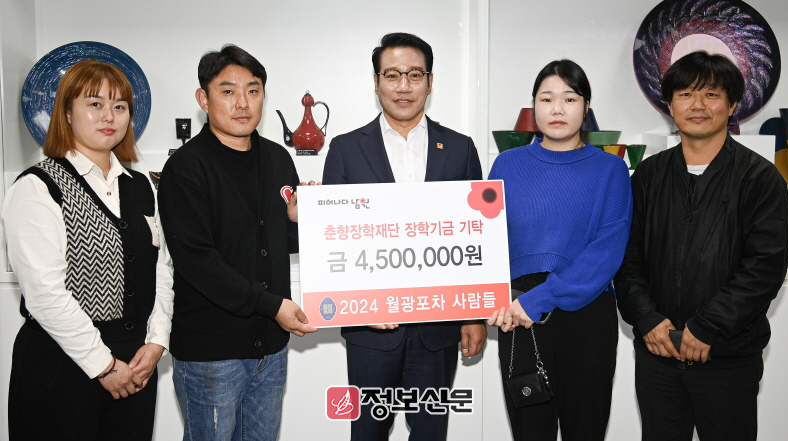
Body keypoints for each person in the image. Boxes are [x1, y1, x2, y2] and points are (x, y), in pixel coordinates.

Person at [614, 51, 788, 441]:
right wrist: (646, 318)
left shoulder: (760, 178)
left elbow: (763, 268)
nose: (697, 105)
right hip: (657, 355)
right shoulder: (648, 175)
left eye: (711, 94)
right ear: (670, 105)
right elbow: (626, 257)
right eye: (685, 94)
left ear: (732, 104)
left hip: (727, 358)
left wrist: (707, 327)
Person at [322, 32, 486, 441]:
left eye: (415, 74)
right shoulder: (345, 149)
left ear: (430, 82)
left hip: (438, 327)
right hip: (370, 328)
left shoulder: (460, 148)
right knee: (367, 431)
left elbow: (476, 238)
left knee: (431, 431)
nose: (403, 85)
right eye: (392, 75)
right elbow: (333, 241)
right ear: (376, 82)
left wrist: (473, 314)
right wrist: (357, 307)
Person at [2, 59, 173, 440]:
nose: (109, 116)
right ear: (66, 112)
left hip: (135, 365)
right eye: (95, 104)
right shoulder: (37, 187)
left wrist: (157, 340)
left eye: (119, 106)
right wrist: (103, 365)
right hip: (61, 367)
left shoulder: (142, 186)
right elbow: (45, 294)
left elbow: (161, 270)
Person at [158, 44, 316, 441]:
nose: (242, 103)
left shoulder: (278, 159)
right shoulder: (186, 168)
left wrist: (298, 222)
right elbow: (198, 262)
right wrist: (273, 306)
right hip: (212, 354)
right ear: (204, 99)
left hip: (270, 348)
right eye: (228, 91)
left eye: (253, 90)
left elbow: (279, 243)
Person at [486, 59, 633, 441]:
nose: (557, 108)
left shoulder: (611, 169)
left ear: (586, 106)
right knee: (530, 432)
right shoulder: (507, 164)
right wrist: (491, 299)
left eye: (569, 98)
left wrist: (538, 300)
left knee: (585, 430)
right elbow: (486, 241)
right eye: (546, 98)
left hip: (585, 316)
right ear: (533, 105)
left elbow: (606, 251)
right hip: (519, 316)